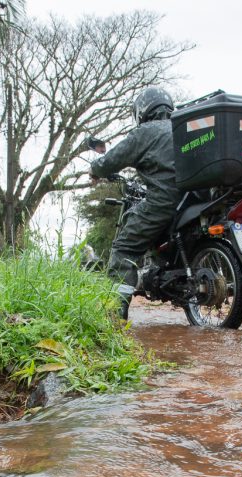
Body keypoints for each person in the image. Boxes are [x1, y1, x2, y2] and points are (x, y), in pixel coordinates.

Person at [89, 87, 182, 320]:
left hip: (163, 201)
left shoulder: (145, 133)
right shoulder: (185, 128)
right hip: (198, 200)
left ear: (143, 111)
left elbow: (113, 159)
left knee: (124, 249)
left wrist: (95, 168)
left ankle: (114, 315)